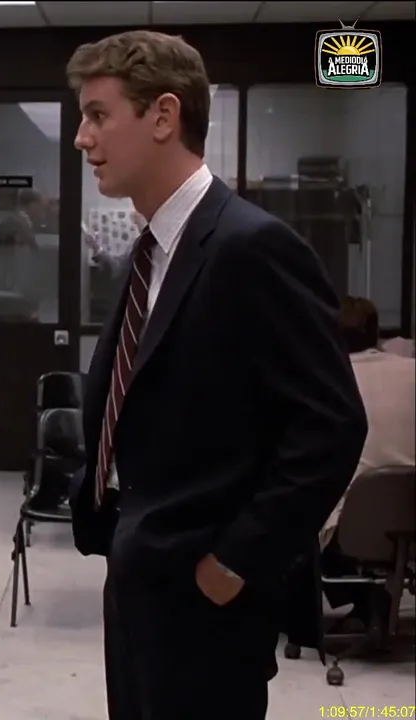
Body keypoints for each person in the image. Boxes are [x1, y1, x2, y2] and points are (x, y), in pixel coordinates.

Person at [64, 31, 368, 720]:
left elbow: (330, 428)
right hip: (139, 578)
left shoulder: (250, 247)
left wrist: (235, 563)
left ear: (163, 116)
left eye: (99, 115)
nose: (83, 138)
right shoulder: (150, 252)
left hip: (206, 599)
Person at [318, 297, 415, 619]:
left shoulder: (325, 381)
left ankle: (361, 605)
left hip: (350, 530)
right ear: (376, 332)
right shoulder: (411, 370)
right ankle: (372, 606)